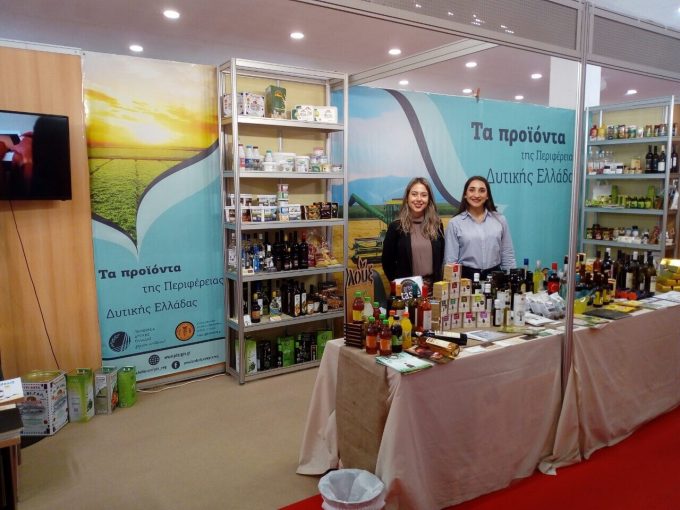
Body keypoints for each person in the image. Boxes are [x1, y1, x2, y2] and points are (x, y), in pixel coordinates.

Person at [444, 175, 516, 280]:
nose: (476, 195)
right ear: (465, 194)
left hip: (496, 277)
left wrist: (511, 280)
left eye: (482, 191)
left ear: (487, 196)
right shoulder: (454, 223)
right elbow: (450, 262)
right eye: (472, 190)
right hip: (466, 279)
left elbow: (507, 255)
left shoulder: (500, 220)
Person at [381, 177, 445, 288]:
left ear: (429, 199)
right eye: (414, 194)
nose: (419, 199)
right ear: (407, 198)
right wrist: (400, 287)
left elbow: (441, 258)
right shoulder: (396, 227)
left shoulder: (437, 225)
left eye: (424, 195)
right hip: (407, 290)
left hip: (434, 290)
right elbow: (387, 263)